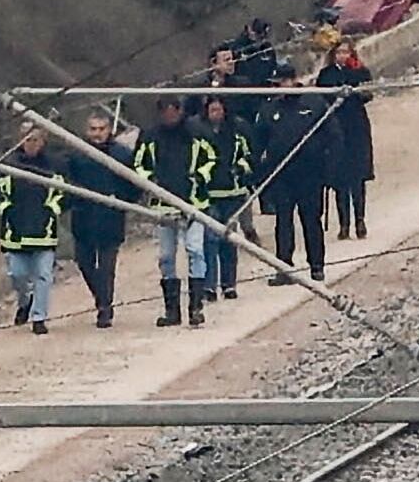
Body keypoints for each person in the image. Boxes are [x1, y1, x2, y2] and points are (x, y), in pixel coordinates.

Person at [139, 96, 215, 326]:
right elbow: (139, 165)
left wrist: (199, 178)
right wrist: (150, 181)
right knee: (166, 256)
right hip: (163, 207)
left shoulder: (196, 133)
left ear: (180, 111)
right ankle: (172, 310)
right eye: (165, 112)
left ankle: (196, 307)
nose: (170, 116)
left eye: (174, 111)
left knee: (195, 251)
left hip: (194, 204)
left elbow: (211, 158)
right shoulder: (150, 136)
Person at [255, 74, 330, 285]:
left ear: (292, 81)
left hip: (310, 174)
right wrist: (262, 173)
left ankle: (317, 266)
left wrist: (326, 167)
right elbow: (259, 142)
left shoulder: (313, 103)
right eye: (275, 84)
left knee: (311, 220)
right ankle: (284, 267)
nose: (279, 87)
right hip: (282, 175)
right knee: (283, 221)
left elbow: (331, 135)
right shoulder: (269, 109)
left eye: (282, 82)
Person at [61, 110, 133, 328]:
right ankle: (101, 299)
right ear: (86, 130)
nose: (97, 134)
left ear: (109, 129)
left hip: (111, 218)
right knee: (84, 262)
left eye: (101, 129)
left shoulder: (121, 154)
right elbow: (68, 183)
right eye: (93, 129)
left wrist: (121, 199)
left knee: (106, 267)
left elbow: (133, 184)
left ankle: (105, 309)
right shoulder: (77, 154)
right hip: (83, 218)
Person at [0, 128, 65, 335]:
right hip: (14, 232)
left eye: (36, 140)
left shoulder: (54, 165)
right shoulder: (6, 164)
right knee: (18, 274)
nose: (31, 144)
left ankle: (39, 318)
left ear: (43, 141)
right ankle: (25, 302)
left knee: (43, 275)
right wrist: (6, 210)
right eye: (27, 139)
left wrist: (52, 210)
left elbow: (65, 193)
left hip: (44, 231)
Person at [189, 92, 255, 299]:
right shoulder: (198, 132)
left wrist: (240, 168)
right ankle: (209, 284)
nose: (215, 114)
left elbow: (250, 154)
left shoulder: (237, 129)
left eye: (219, 109)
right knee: (209, 239)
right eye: (212, 110)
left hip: (233, 192)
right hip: (208, 193)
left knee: (228, 238)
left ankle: (229, 283)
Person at [315, 39, 377, 239]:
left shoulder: (359, 72)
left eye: (346, 52)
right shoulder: (327, 75)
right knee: (340, 180)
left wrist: (355, 88)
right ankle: (344, 224)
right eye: (339, 52)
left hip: (356, 127)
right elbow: (322, 98)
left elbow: (368, 93)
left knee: (357, 179)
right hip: (336, 127)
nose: (343, 56)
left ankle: (360, 220)